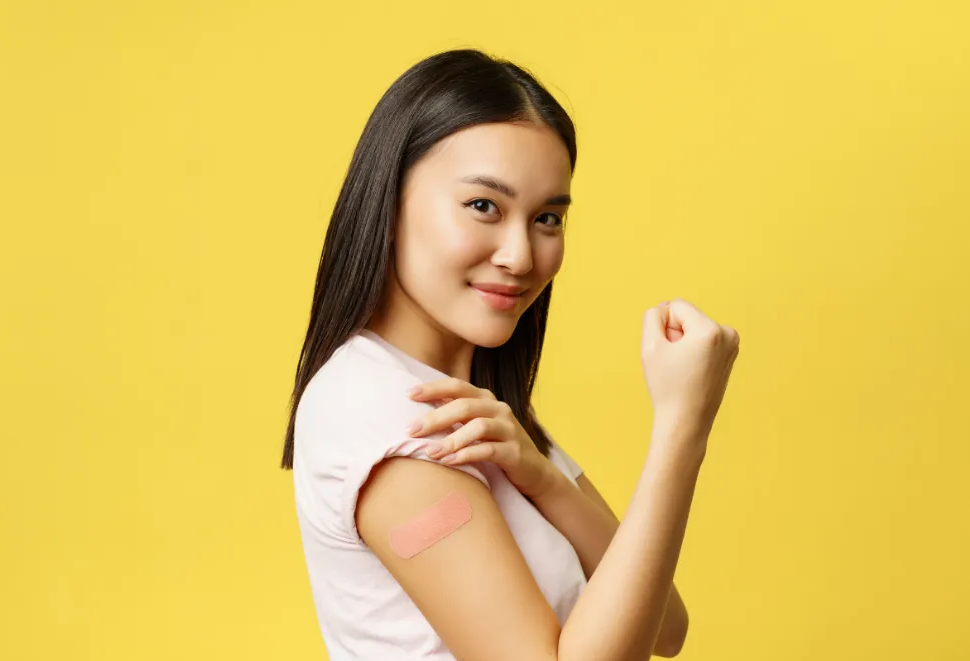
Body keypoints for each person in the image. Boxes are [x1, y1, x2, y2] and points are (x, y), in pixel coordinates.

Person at [280, 48, 740, 661]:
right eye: (483, 206)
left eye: (547, 217)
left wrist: (544, 480)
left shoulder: (491, 421)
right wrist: (684, 427)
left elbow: (666, 627)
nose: (521, 257)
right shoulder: (392, 412)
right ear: (389, 205)